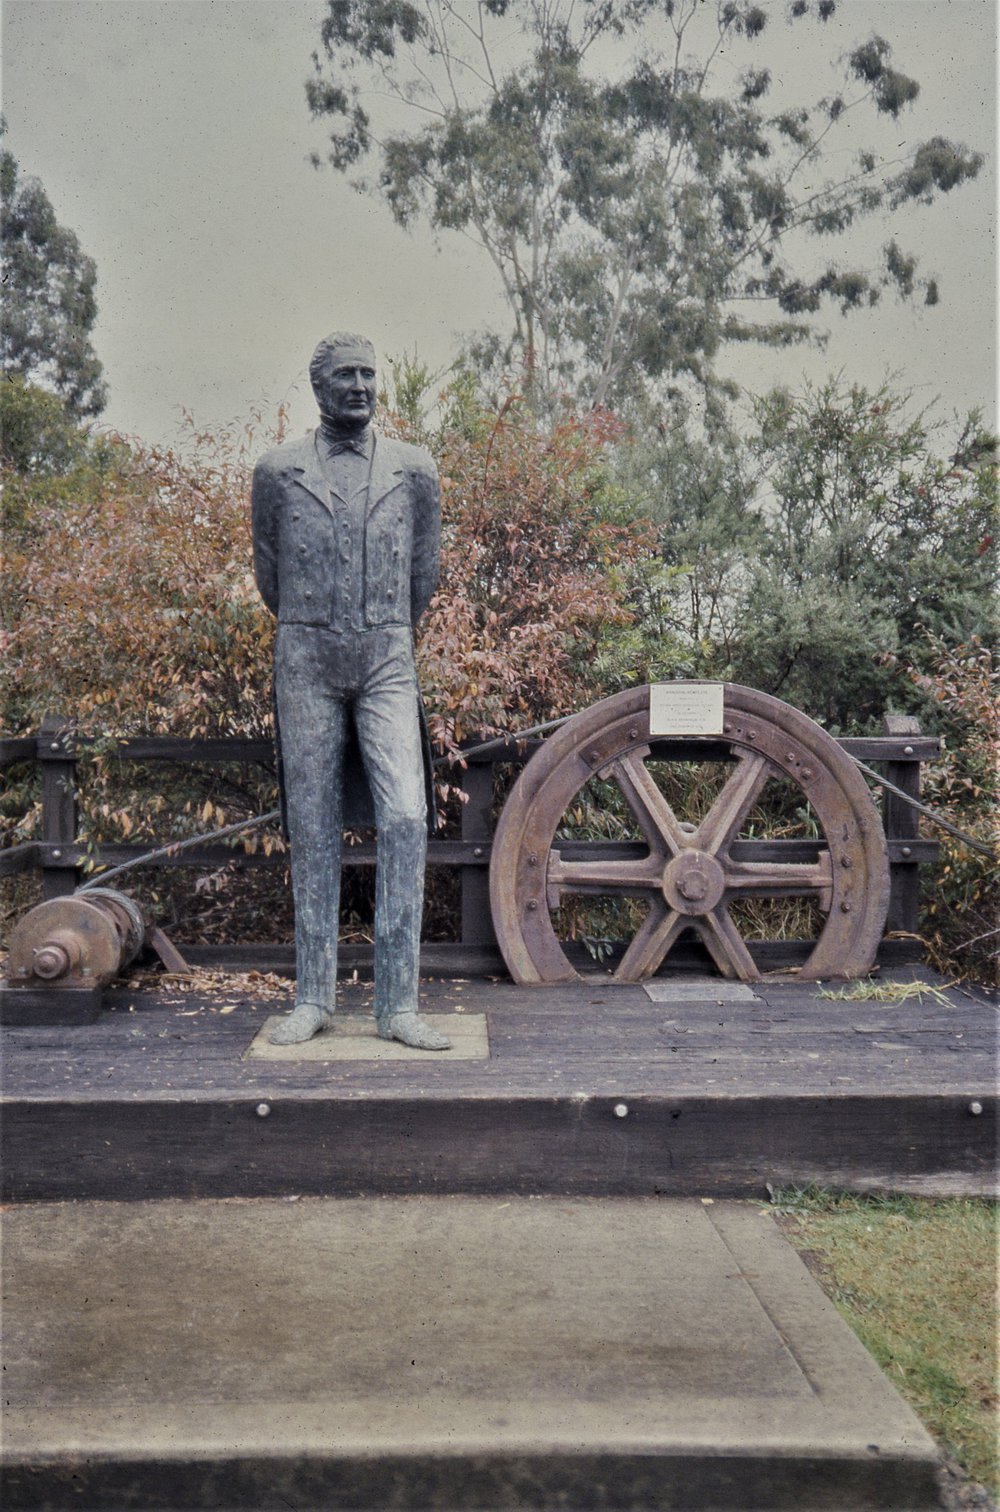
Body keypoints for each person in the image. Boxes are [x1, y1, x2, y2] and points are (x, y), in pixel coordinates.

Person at [251, 331, 450, 1049]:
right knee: (312, 823)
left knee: (403, 815)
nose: (360, 387)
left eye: (369, 374)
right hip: (304, 654)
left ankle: (397, 1006)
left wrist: (376, 627)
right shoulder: (276, 471)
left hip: (386, 655)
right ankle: (314, 998)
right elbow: (269, 574)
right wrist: (318, 626)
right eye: (346, 376)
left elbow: (423, 576)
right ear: (319, 387)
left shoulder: (414, 469)